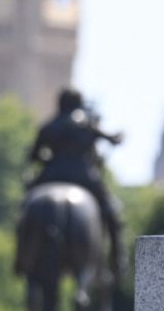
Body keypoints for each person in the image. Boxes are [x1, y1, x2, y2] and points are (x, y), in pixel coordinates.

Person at [28, 87, 124, 257]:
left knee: (25, 207)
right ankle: (118, 259)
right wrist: (118, 137)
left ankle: (23, 256)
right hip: (83, 175)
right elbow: (113, 139)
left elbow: (34, 156)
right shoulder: (87, 123)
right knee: (110, 211)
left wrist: (49, 160)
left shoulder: (49, 126)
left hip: (51, 175)